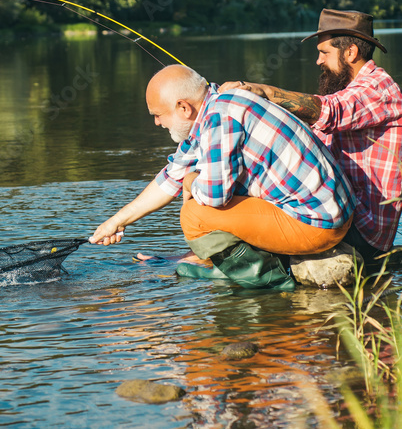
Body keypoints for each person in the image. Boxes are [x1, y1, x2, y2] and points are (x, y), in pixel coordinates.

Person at [90, 64, 355, 289]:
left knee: (194, 214)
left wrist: (191, 181)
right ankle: (207, 258)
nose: (157, 123)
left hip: (318, 224)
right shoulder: (217, 107)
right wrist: (117, 221)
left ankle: (265, 277)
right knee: (208, 186)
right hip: (330, 212)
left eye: (158, 115)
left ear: (183, 108)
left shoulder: (220, 117)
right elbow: (171, 177)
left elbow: (215, 196)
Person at [221, 9, 402, 260]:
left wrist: (262, 91)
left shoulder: (378, 89)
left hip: (362, 232)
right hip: (339, 212)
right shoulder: (351, 90)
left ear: (350, 53)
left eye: (324, 53)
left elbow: (330, 111)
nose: (318, 61)